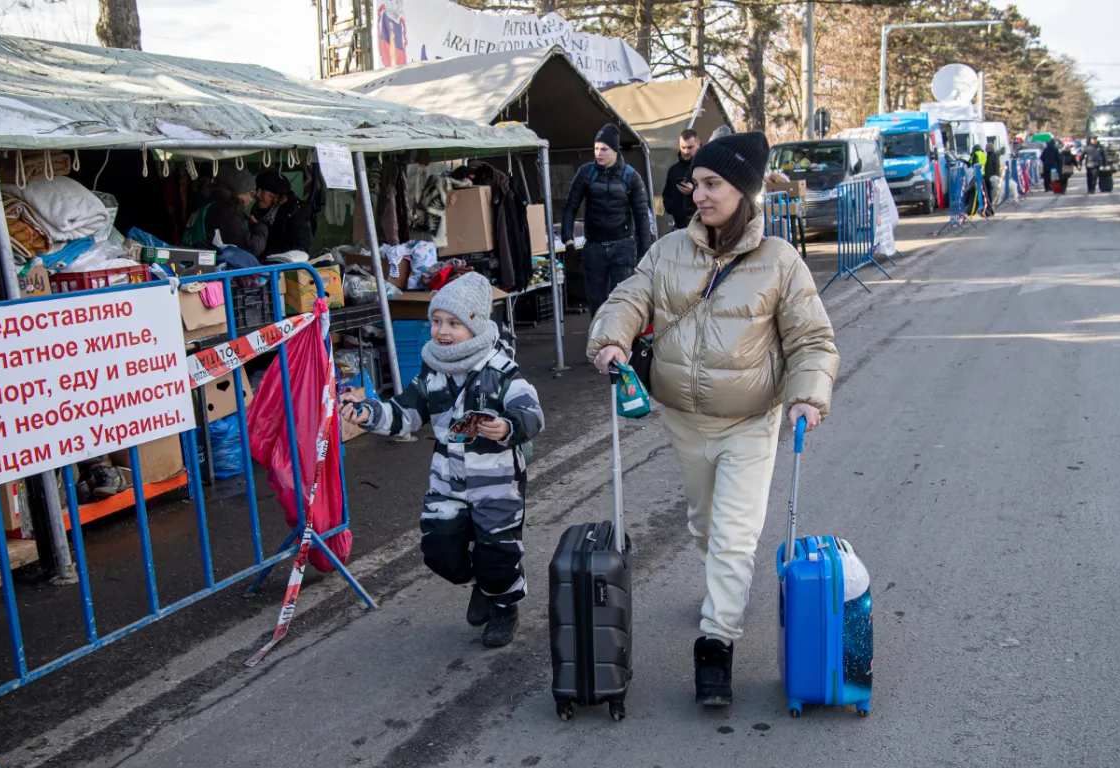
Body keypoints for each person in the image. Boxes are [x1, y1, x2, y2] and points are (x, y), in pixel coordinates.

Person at [587, 132, 840, 707]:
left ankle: (716, 644)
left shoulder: (780, 262)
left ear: (743, 191)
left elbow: (812, 340)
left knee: (732, 537)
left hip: (750, 422)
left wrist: (808, 396)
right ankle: (724, 589)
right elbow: (630, 298)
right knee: (704, 527)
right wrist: (611, 339)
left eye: (711, 184)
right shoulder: (668, 251)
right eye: (695, 184)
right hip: (683, 419)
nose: (697, 194)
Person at [347, 274, 544, 648]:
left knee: (497, 552)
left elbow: (532, 413)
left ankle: (504, 606)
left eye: (454, 323)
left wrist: (507, 426)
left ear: (476, 326)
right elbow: (405, 413)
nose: (442, 331)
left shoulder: (501, 370)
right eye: (436, 321)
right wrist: (369, 414)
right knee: (439, 551)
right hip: (447, 479)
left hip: (497, 481)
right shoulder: (432, 370)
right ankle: (483, 584)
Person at [561, 124, 654, 316]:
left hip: (622, 245)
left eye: (604, 149)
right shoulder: (586, 173)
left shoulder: (631, 177)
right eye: (596, 148)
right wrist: (567, 236)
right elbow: (571, 204)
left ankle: (622, 335)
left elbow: (642, 216)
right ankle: (598, 334)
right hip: (594, 246)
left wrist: (644, 252)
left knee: (622, 300)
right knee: (596, 301)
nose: (598, 153)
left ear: (615, 150)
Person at [184, 168, 268, 257]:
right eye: (250, 193)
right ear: (239, 192)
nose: (251, 199)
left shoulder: (209, 204)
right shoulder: (228, 213)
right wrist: (259, 227)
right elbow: (253, 247)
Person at [252, 171, 313, 256]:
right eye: (257, 190)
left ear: (276, 196)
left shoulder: (295, 214)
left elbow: (302, 248)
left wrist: (273, 257)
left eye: (262, 191)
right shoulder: (257, 211)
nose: (257, 195)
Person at [662, 129, 702, 232]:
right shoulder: (673, 170)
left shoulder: (706, 166)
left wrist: (693, 190)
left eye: (690, 147)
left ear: (698, 144)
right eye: (683, 147)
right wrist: (672, 207)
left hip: (702, 226)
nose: (686, 151)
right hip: (679, 225)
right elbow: (666, 194)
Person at [984, 142, 1003, 216]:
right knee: (989, 196)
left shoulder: (994, 156)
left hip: (992, 179)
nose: (986, 149)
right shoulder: (989, 156)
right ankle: (990, 210)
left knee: (991, 196)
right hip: (988, 178)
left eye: (987, 148)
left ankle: (990, 210)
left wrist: (995, 177)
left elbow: (996, 167)